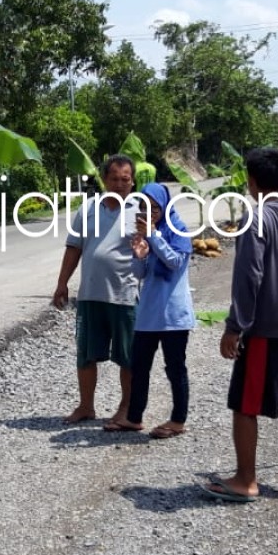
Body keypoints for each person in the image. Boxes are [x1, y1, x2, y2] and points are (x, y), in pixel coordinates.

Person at [202, 148, 278, 503]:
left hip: (268, 330)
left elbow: (248, 278)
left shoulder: (254, 220)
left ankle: (245, 479)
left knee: (245, 404)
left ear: (251, 182)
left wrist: (234, 327)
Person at [52, 155, 139, 427]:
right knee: (86, 354)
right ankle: (86, 406)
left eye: (125, 179)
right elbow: (74, 247)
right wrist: (62, 282)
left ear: (132, 181)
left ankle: (126, 408)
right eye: (114, 179)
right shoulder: (88, 209)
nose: (120, 184)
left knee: (128, 357)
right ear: (104, 180)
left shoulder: (141, 210)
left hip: (126, 295)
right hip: (90, 294)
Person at [125, 183, 196, 438]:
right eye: (143, 207)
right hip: (149, 313)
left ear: (164, 206)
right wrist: (139, 255)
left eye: (153, 207)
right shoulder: (146, 234)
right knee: (139, 365)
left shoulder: (178, 230)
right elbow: (140, 274)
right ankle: (134, 417)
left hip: (173, 315)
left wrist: (154, 236)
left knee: (175, 367)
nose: (148, 212)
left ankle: (178, 419)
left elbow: (176, 262)